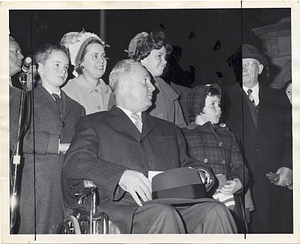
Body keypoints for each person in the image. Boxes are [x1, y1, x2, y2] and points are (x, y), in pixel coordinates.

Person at [63, 59, 238, 234]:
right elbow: (75, 162)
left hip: (173, 204)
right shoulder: (94, 123)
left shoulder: (169, 129)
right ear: (124, 86)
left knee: (217, 210)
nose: (153, 87)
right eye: (145, 81)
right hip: (123, 211)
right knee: (163, 214)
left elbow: (186, 163)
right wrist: (120, 176)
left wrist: (202, 175)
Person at [223, 44, 293, 233]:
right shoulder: (224, 97)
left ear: (260, 69)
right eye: (240, 64)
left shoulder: (278, 97)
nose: (244, 69)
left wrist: (288, 166)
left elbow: (291, 135)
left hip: (274, 182)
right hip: (240, 184)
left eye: (249, 64)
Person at [17, 44, 85, 234]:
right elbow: (17, 140)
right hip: (36, 186)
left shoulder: (77, 109)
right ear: (39, 68)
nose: (63, 71)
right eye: (56, 65)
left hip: (67, 188)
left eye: (65, 67)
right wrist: (57, 145)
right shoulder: (25, 101)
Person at [181, 83, 249, 232]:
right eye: (212, 104)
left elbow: (240, 166)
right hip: (199, 202)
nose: (219, 109)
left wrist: (238, 182)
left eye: (219, 104)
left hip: (228, 198)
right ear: (198, 107)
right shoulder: (183, 135)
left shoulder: (229, 136)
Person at [127, 31, 186, 128]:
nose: (165, 62)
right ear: (143, 57)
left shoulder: (169, 92)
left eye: (165, 57)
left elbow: (181, 127)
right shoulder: (125, 88)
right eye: (159, 56)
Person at [60, 30, 115, 114]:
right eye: (95, 56)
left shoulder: (110, 91)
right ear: (81, 62)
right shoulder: (67, 92)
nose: (101, 61)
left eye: (103, 56)